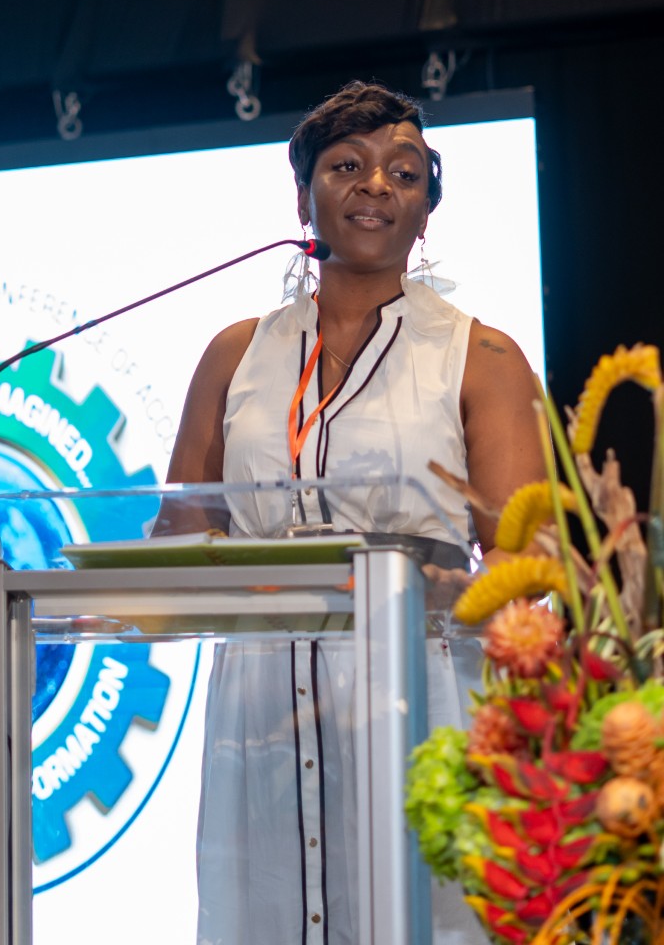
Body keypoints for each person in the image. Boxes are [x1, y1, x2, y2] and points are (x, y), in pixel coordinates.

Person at [162, 80, 545, 944]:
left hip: (422, 700)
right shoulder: (235, 354)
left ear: (425, 212)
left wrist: (444, 591)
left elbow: (530, 558)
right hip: (260, 709)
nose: (376, 185)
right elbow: (183, 528)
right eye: (347, 166)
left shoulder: (481, 356)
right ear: (304, 198)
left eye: (404, 173)